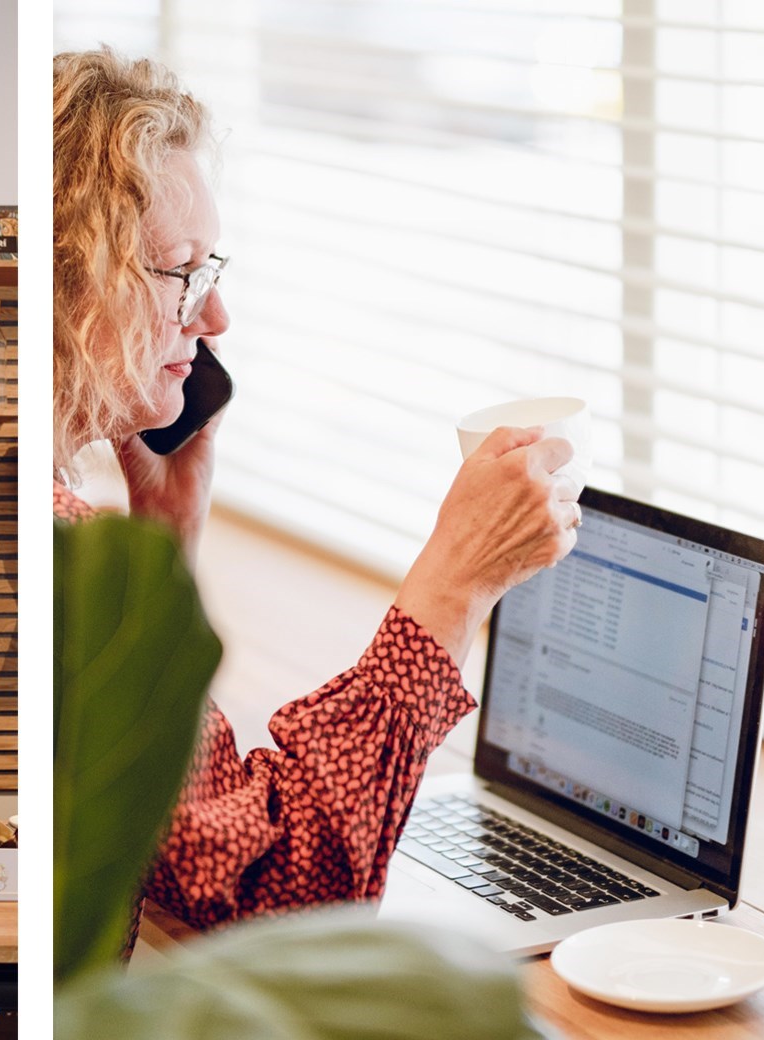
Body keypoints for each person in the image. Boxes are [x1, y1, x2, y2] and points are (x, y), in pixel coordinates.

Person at [53, 48, 583, 940]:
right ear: (71, 282)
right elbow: (279, 895)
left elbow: (168, 826)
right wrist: (452, 589)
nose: (212, 318)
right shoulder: (55, 553)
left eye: (207, 270)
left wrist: (160, 558)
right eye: (178, 270)